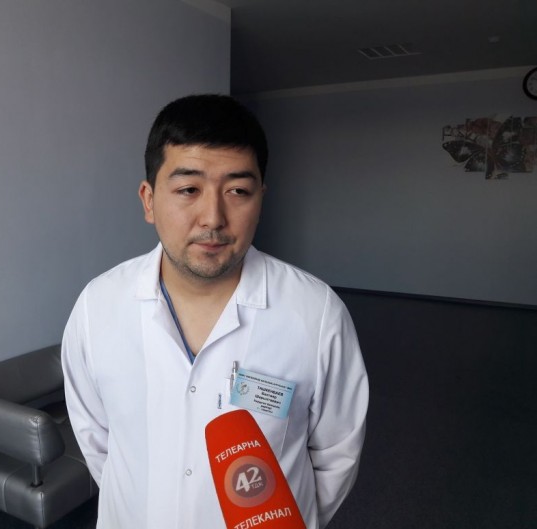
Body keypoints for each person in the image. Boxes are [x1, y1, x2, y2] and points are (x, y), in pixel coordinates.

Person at [62, 94, 369, 529]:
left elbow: (337, 455)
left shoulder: (316, 315)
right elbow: (98, 443)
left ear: (260, 199)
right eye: (188, 190)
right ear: (149, 200)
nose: (213, 218)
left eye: (238, 191)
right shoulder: (98, 307)